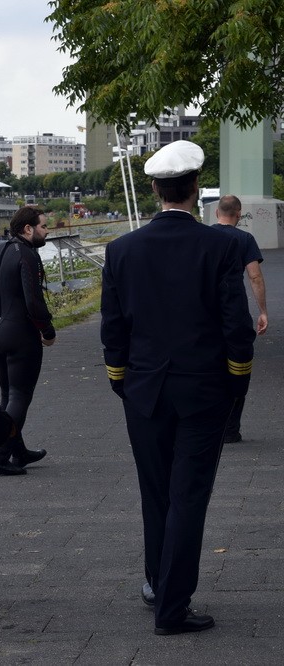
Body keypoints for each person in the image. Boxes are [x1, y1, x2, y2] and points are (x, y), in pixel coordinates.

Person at [101, 140, 255, 635]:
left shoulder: (120, 249)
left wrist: (120, 378)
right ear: (195, 190)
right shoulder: (222, 246)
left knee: (156, 492)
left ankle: (155, 581)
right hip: (204, 389)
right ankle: (172, 604)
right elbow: (236, 323)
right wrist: (237, 378)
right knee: (189, 495)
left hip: (144, 389)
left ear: (154, 190)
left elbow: (113, 327)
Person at [0, 206, 54, 476]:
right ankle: (0, 457)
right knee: (20, 396)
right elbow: (33, 299)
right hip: (21, 333)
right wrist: (47, 329)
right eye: (43, 226)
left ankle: (18, 452)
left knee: (8, 395)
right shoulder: (28, 255)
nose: (47, 231)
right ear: (28, 229)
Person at [213, 194, 268, 443]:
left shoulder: (204, 237)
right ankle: (231, 428)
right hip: (234, 314)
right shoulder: (244, 239)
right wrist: (263, 311)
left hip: (206, 314)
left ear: (216, 213)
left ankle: (209, 424)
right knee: (239, 367)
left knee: (210, 368)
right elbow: (254, 277)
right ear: (239, 213)